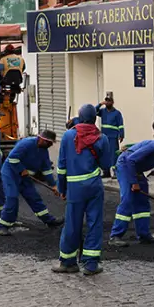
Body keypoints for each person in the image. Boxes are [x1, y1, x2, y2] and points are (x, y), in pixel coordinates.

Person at [54, 104, 115, 275]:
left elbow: (61, 167)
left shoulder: (68, 136)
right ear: (95, 119)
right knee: (94, 223)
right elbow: (105, 165)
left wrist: (62, 188)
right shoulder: (101, 138)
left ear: (79, 117)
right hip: (94, 186)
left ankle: (67, 262)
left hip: (74, 188)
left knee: (72, 223)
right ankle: (91, 265)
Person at [108, 127, 154, 248]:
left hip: (136, 170)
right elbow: (130, 160)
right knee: (128, 199)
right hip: (125, 165)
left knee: (142, 202)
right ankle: (115, 236)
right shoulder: (152, 147)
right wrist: (134, 182)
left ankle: (143, 235)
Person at [0, 131, 64, 236]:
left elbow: (46, 170)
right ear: (42, 139)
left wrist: (54, 185)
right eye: (49, 142)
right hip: (11, 174)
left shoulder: (43, 151)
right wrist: (21, 169)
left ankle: (49, 221)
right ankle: (3, 226)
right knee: (12, 198)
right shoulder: (26, 144)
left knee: (34, 197)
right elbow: (12, 158)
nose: (51, 145)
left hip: (25, 177)